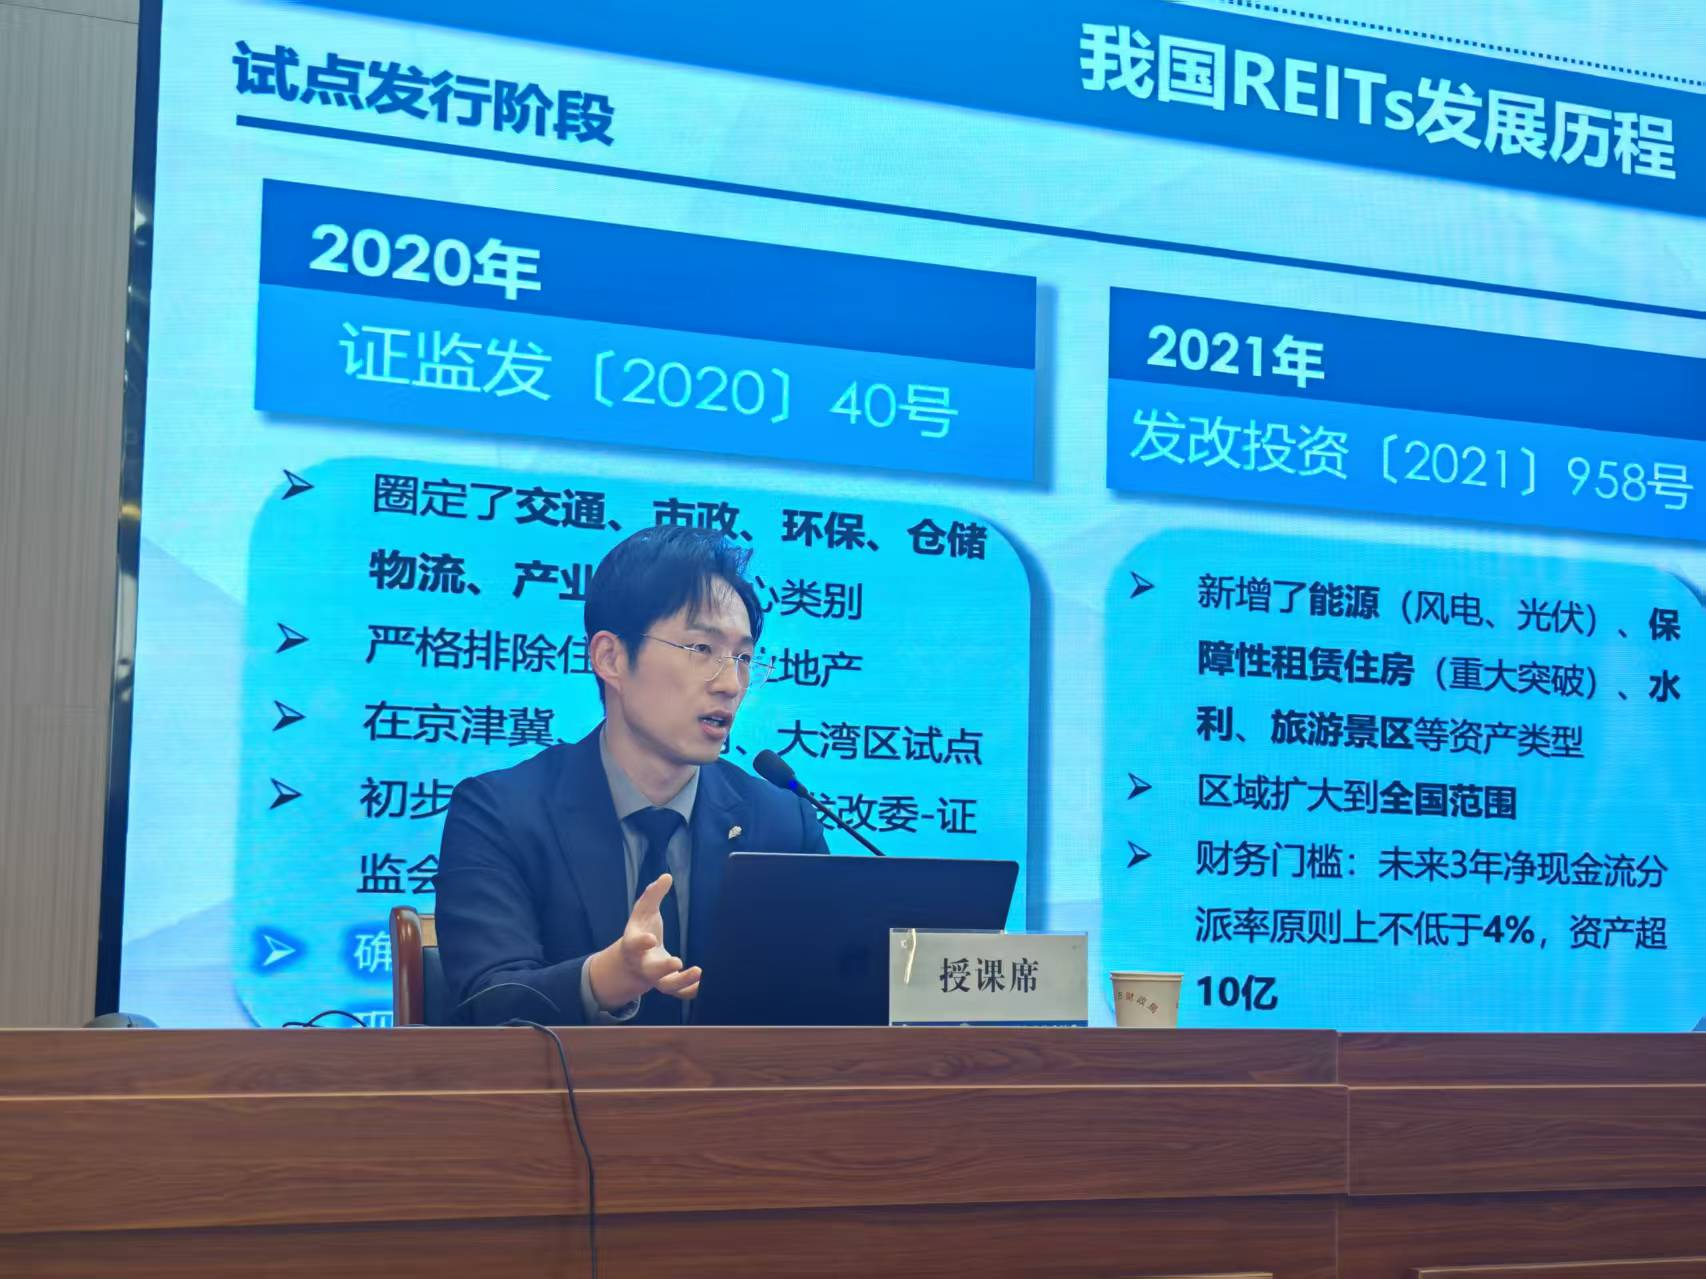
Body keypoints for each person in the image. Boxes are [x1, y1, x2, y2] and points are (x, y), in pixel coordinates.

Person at [436, 525, 828, 1025]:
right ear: (611, 658)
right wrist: (606, 979)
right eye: (700, 650)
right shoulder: (501, 813)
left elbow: (826, 998)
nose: (731, 684)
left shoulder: (784, 824)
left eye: (743, 658)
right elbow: (484, 1003)